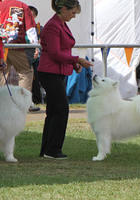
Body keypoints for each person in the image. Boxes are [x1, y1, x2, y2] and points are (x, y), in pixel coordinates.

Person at [38, 0, 93, 159]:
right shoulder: (53, 26)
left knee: (54, 111)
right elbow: (55, 53)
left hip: (57, 72)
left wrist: (73, 62)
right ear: (63, 9)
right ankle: (53, 150)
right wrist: (77, 59)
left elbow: (63, 50)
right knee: (61, 109)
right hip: (50, 73)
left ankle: (47, 150)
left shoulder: (60, 23)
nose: (74, 16)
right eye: (73, 12)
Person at [0, 0, 40, 111]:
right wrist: (35, 45)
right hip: (17, 46)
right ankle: (24, 103)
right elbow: (30, 29)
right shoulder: (22, 6)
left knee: (1, 74)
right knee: (25, 72)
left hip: (1, 46)